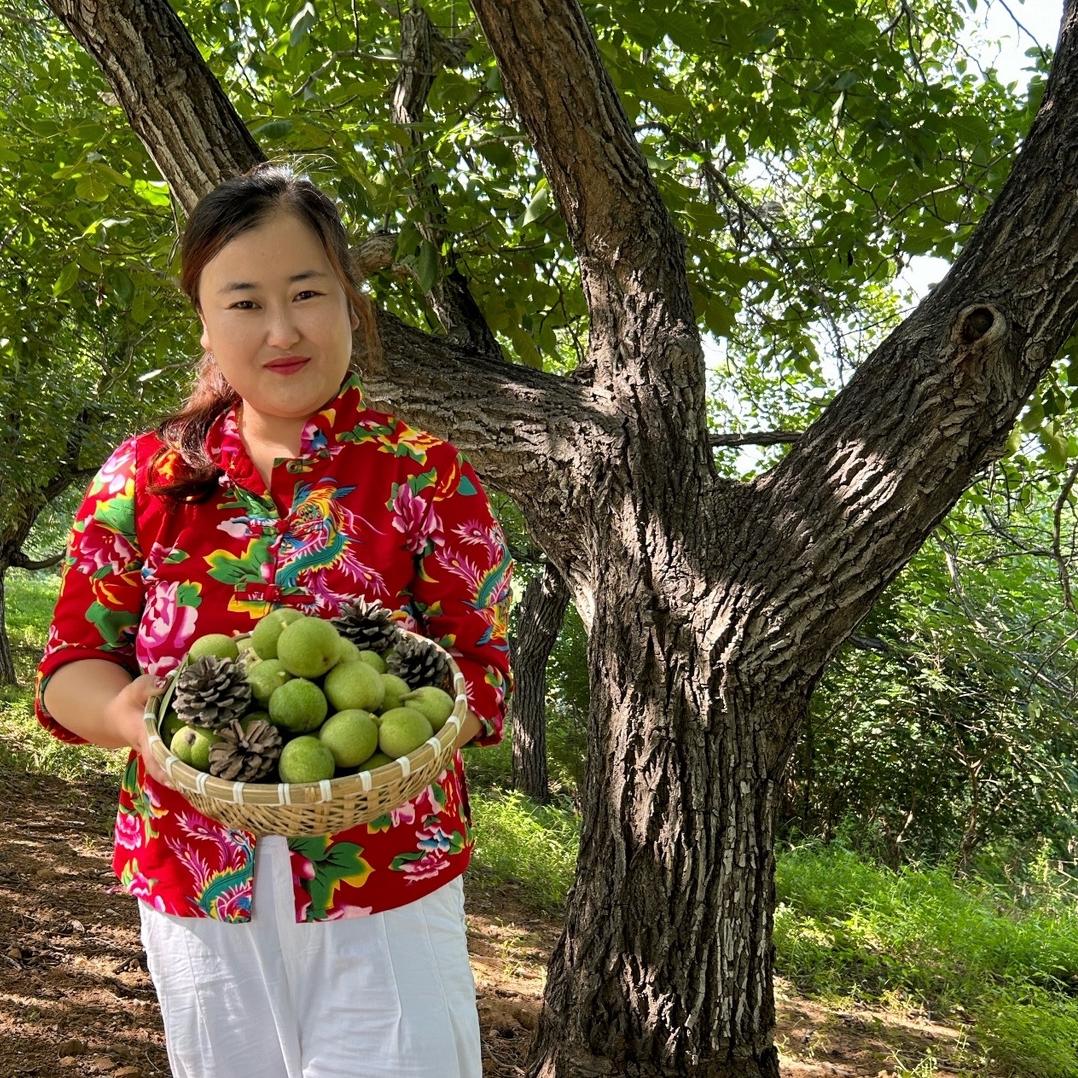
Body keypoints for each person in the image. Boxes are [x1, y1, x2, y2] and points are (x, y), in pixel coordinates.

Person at [34, 161, 514, 1078]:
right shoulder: (139, 480)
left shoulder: (426, 475)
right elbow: (71, 668)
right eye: (245, 301)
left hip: (388, 874)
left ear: (351, 302)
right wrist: (130, 717)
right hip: (191, 876)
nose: (283, 329)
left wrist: (394, 736)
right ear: (207, 321)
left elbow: (480, 668)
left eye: (307, 293)